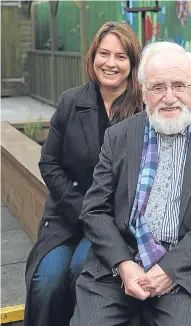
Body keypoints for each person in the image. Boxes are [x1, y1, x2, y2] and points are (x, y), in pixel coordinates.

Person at [69, 41, 191, 326]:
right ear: (143, 93)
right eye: (157, 87)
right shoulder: (119, 136)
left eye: (178, 85)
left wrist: (170, 269)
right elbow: (94, 209)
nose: (169, 97)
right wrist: (123, 264)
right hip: (123, 262)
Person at [24, 21, 143, 326]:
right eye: (104, 53)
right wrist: (80, 209)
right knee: (47, 280)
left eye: (121, 56)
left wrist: (100, 217)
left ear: (133, 63)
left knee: (82, 271)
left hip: (113, 223)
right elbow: (49, 163)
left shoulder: (143, 110)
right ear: (93, 56)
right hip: (67, 216)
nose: (111, 63)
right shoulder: (71, 102)